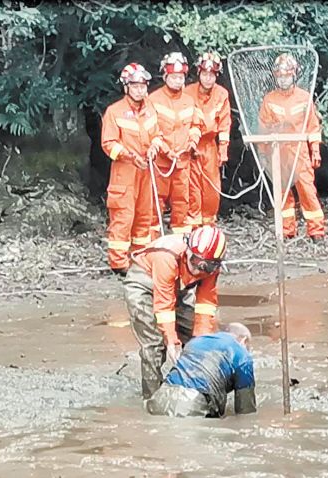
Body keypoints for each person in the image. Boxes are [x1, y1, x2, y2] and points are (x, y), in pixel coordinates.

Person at [124, 224, 226, 399]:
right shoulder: (167, 256)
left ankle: (195, 386)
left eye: (206, 267)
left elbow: (205, 306)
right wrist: (171, 341)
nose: (198, 270)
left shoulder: (211, 269)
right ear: (187, 251)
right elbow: (164, 305)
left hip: (176, 288)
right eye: (194, 261)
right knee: (154, 344)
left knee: (196, 338)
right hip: (144, 285)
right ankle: (152, 397)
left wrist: (201, 343)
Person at [100, 62, 165, 275]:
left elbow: (157, 134)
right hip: (124, 173)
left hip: (147, 170)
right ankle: (119, 264)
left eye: (143, 86)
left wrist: (156, 145)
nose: (140, 90)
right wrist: (130, 156)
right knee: (123, 217)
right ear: (126, 87)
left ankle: (140, 258)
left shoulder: (150, 110)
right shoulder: (114, 112)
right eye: (136, 86)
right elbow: (108, 144)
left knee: (145, 216)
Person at [258, 53, 325, 241]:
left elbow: (312, 125)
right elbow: (263, 129)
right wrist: (263, 154)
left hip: (299, 150)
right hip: (278, 152)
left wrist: (315, 150)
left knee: (307, 190)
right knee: (282, 193)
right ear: (275, 76)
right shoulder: (269, 100)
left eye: (286, 75)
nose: (283, 79)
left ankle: (316, 231)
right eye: (280, 76)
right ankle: (287, 231)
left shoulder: (304, 98)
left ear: (294, 75)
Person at [145, 52, 205, 238]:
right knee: (156, 202)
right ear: (165, 76)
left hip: (183, 161)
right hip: (162, 162)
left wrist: (192, 142)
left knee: (182, 202)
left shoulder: (189, 100)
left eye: (181, 77)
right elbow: (150, 130)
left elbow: (196, 125)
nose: (178, 81)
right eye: (174, 77)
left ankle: (181, 242)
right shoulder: (153, 100)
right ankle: (153, 242)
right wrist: (166, 150)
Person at [146, 322, 256, 418]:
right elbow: (245, 411)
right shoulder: (242, 355)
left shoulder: (195, 342)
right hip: (192, 406)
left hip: (160, 398)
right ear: (243, 341)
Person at [185, 51, 232, 228]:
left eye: (212, 75)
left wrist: (223, 149)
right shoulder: (188, 92)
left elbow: (224, 122)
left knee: (212, 188)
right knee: (192, 188)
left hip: (210, 146)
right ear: (199, 73)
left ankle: (209, 227)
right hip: (191, 147)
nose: (208, 78)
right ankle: (193, 228)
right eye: (205, 74)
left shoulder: (221, 94)